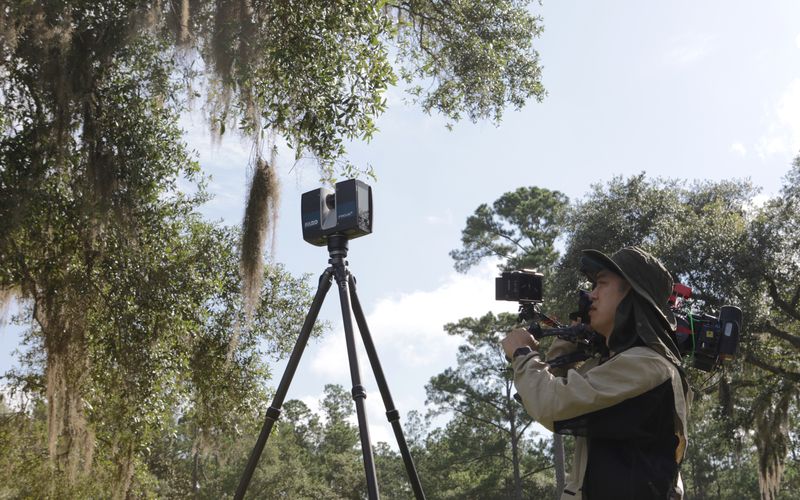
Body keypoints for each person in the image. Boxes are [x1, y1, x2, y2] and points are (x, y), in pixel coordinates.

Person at [501, 246, 690, 500]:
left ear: (631, 296)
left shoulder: (646, 365)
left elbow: (550, 403)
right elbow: (549, 390)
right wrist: (570, 341)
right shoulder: (618, 363)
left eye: (601, 284)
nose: (591, 295)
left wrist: (522, 354)